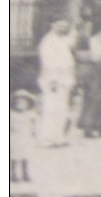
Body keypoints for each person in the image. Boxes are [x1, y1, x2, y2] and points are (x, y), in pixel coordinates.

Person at [37, 19, 76, 147]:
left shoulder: (63, 40)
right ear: (52, 25)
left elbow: (68, 58)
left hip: (64, 80)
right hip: (53, 80)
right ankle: (47, 138)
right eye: (59, 26)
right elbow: (48, 62)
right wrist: (53, 80)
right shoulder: (48, 41)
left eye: (65, 26)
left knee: (62, 109)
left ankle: (59, 137)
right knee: (50, 109)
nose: (62, 28)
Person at [10, 90, 38, 183]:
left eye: (23, 102)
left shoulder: (30, 114)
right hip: (15, 137)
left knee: (25, 156)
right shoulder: (11, 114)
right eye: (18, 102)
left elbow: (34, 125)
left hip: (25, 137)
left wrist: (34, 131)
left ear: (27, 103)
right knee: (14, 156)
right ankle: (13, 174)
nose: (21, 104)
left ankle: (25, 173)